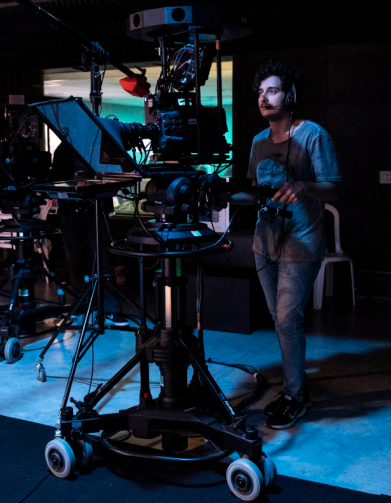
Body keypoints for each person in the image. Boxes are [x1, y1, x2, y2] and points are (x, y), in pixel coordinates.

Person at [247, 60, 342, 429]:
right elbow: (253, 189)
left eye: (271, 90)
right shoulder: (257, 141)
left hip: (301, 243)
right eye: (260, 92)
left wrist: (304, 186)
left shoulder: (313, 135)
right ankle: (295, 384)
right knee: (281, 321)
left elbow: (335, 186)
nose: (263, 98)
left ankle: (295, 395)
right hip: (264, 242)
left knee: (288, 320)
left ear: (291, 95)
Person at [52, 140, 130, 327]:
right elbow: (56, 179)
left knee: (103, 258)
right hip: (71, 212)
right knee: (75, 260)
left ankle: (110, 309)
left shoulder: (99, 147)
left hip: (97, 209)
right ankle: (82, 305)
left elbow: (115, 173)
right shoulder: (63, 150)